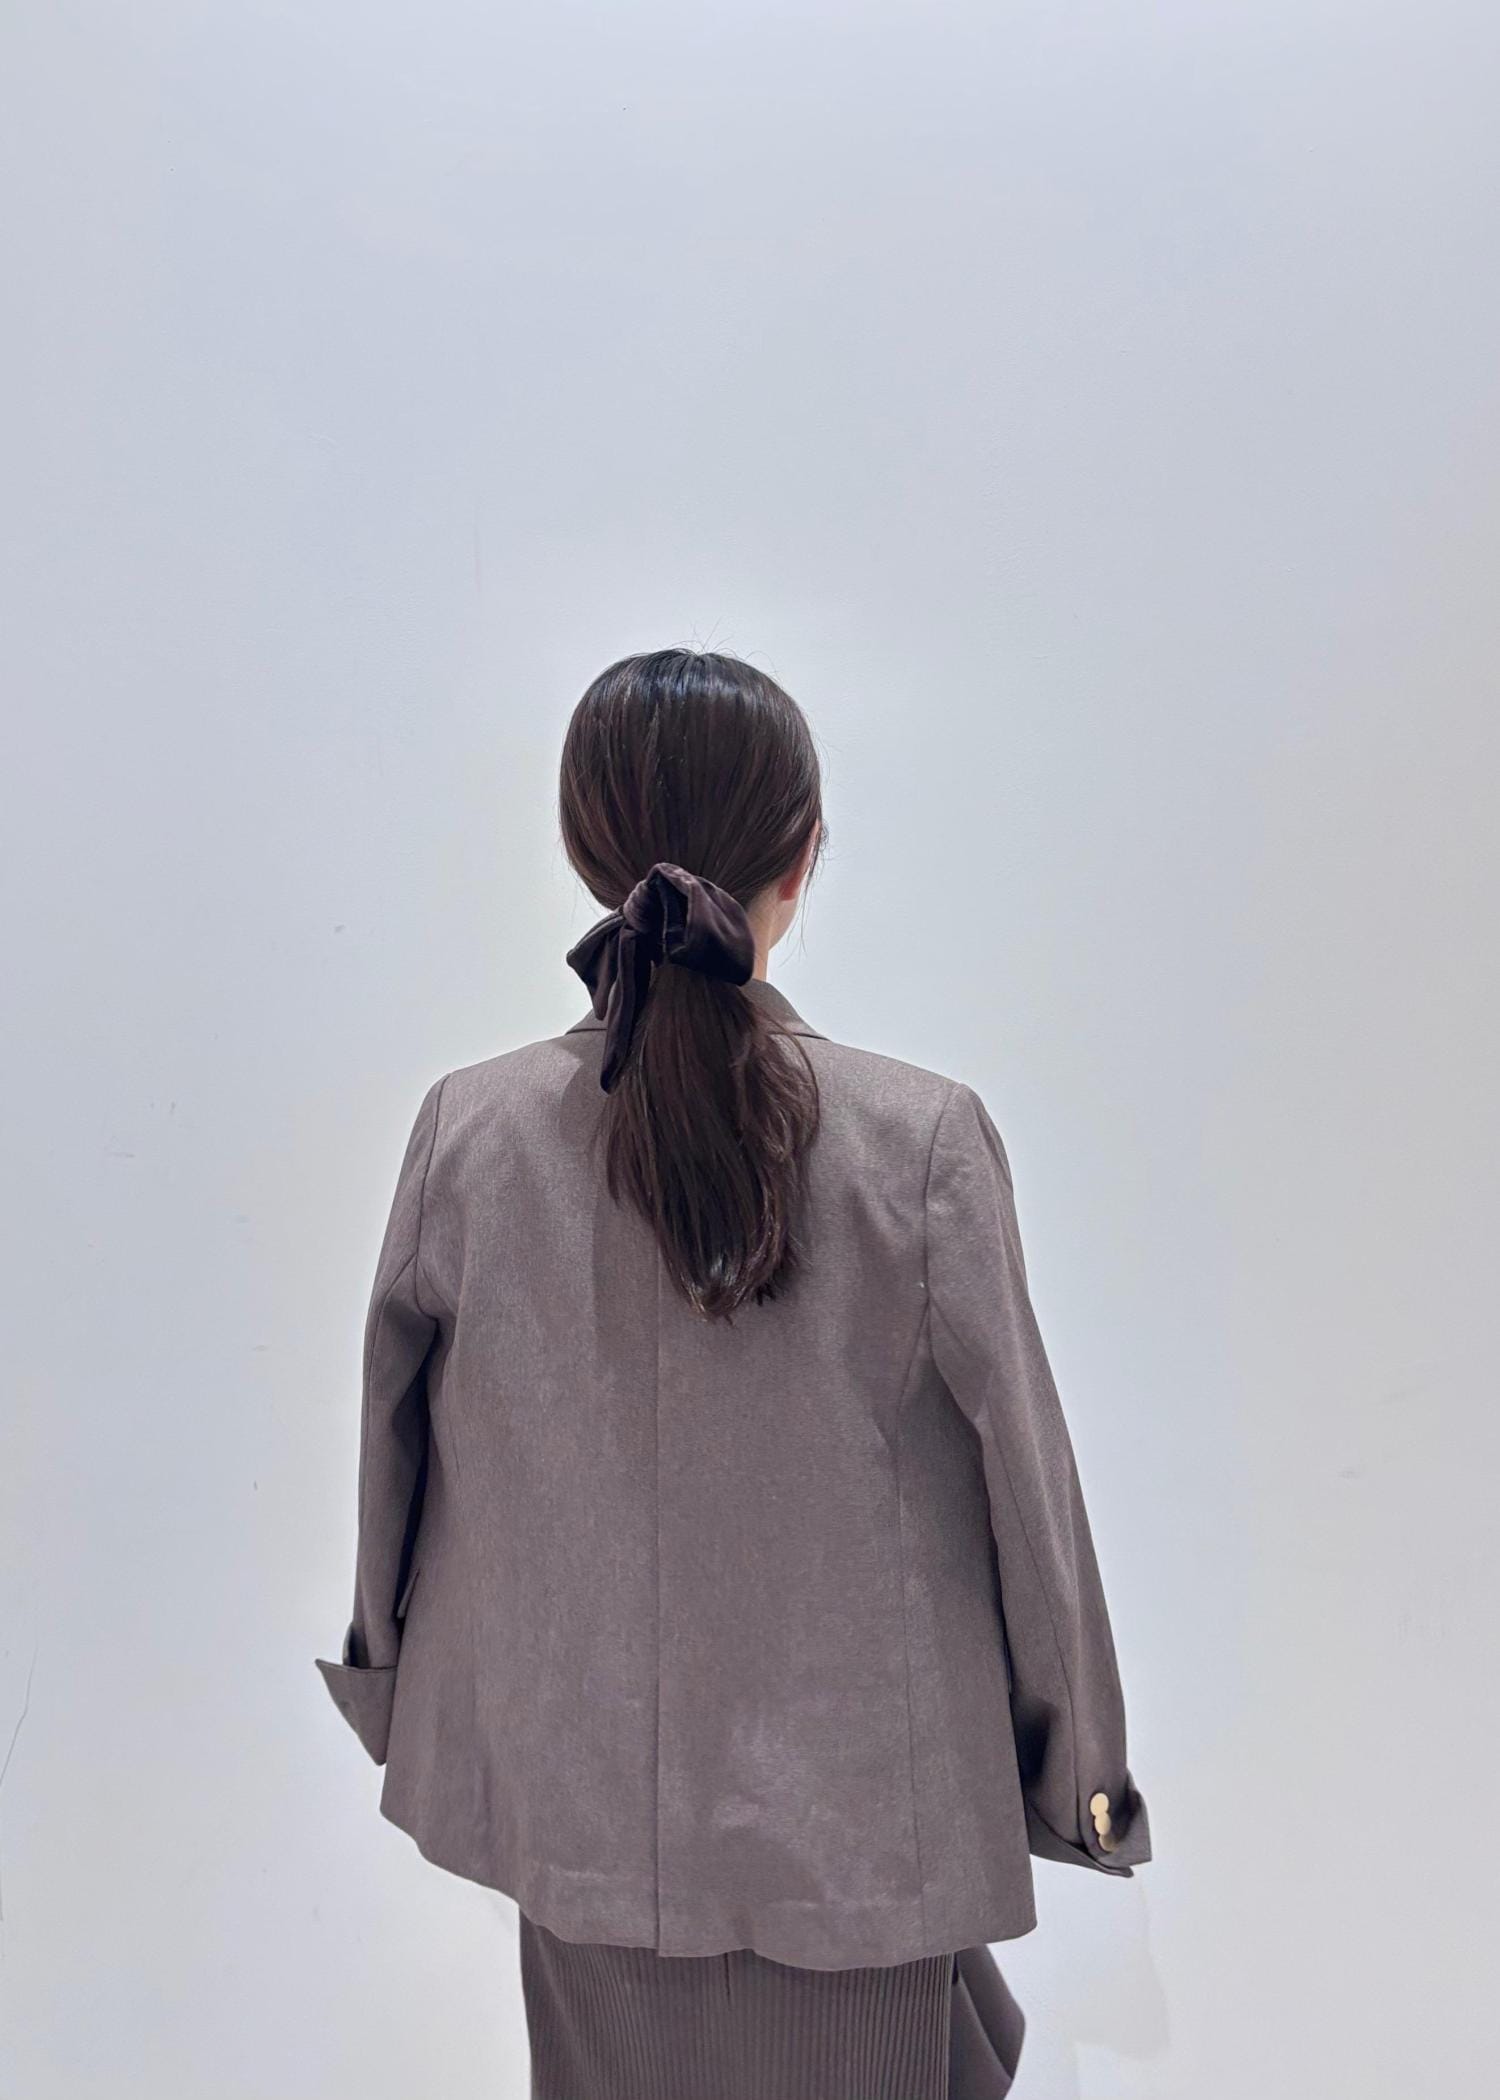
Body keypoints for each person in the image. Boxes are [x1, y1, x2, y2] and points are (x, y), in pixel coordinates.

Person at [314, 647, 1152, 2098]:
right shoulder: (922, 1143)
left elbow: (396, 1450)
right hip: (863, 1850)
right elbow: (1032, 1497)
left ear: (586, 849)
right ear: (803, 858)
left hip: (575, 1825)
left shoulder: (472, 1134)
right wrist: (1080, 1779)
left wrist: (401, 1693)